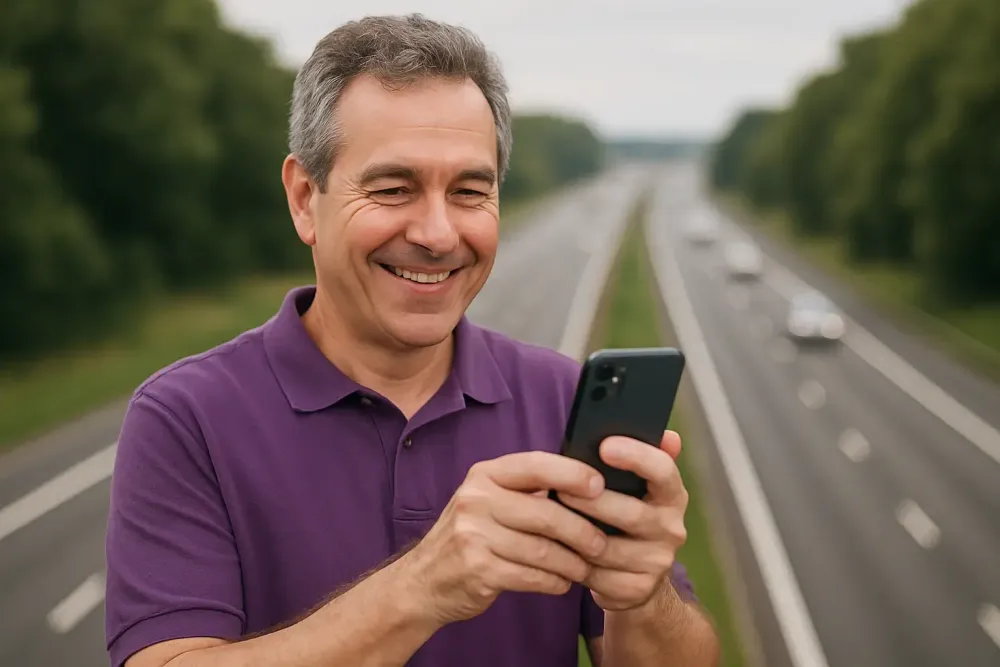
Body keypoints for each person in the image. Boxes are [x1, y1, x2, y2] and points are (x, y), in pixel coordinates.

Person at [104, 13, 721, 667]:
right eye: (394, 188)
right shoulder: (186, 417)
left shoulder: (563, 396)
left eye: (469, 191)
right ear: (304, 198)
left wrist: (642, 594)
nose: (436, 232)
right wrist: (424, 585)